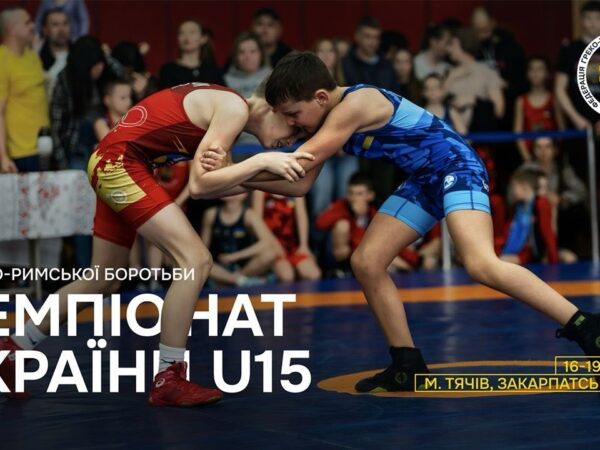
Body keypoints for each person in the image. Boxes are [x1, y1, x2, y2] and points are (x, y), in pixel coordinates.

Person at [202, 52, 600, 393]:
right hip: (424, 179)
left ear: (321, 97)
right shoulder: (324, 119)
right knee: (367, 261)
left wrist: (235, 168)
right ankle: (407, 363)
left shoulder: (356, 104)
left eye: (294, 115)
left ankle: (585, 326)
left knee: (480, 263)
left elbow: (298, 165)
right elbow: (300, 185)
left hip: (456, 165)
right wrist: (234, 177)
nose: (293, 125)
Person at [0, 81, 314, 405]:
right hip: (122, 164)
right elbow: (201, 185)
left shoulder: (228, 112)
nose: (292, 138)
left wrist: (276, 174)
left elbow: (218, 184)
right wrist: (261, 162)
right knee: (196, 261)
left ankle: (13, 347)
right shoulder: (233, 108)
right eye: (294, 124)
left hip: (113, 160)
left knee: (103, 277)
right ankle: (169, 376)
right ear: (275, 106)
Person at [0, 6, 49, 173]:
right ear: (12, 29)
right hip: (20, 154)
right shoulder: (2, 60)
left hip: (44, 147)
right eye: (27, 23)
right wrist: (3, 156)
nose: (33, 26)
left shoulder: (32, 56)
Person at [202, 193, 276, 287]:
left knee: (270, 254)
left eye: (234, 188)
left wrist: (235, 256)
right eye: (227, 188)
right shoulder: (210, 214)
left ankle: (231, 280)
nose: (230, 191)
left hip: (244, 265)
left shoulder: (249, 215)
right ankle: (239, 281)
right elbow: (203, 248)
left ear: (244, 194)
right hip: (221, 265)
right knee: (202, 261)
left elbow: (266, 242)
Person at [252, 191, 321, 282]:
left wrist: (304, 245)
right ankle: (269, 276)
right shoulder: (260, 191)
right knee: (287, 276)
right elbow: (257, 224)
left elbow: (301, 216)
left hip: (291, 246)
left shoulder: (295, 187)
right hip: (271, 246)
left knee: (314, 274)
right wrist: (275, 246)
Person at [555, 1, 600, 132]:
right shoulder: (569, 50)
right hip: (577, 123)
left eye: (597, 18)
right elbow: (559, 88)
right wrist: (575, 117)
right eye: (588, 18)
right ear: (581, 20)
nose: (592, 23)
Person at [499, 168, 558, 265]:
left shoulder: (540, 204)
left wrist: (554, 263)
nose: (512, 191)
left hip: (532, 255)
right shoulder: (517, 207)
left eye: (514, 186)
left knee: (502, 261)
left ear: (524, 186)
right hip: (520, 252)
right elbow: (508, 233)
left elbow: (548, 235)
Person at [514, 56, 564, 161]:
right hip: (529, 156)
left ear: (547, 73)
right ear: (527, 74)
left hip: (552, 156)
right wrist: (528, 160)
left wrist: (555, 156)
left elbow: (562, 131)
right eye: (532, 69)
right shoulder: (521, 101)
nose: (535, 73)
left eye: (540, 69)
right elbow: (518, 134)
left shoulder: (554, 99)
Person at [159, 20, 224, 89]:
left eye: (192, 32)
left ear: (203, 38)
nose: (186, 37)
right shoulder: (168, 70)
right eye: (182, 33)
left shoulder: (212, 70)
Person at [38, 8, 70, 99]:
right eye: (55, 25)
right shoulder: (37, 61)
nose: (61, 30)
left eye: (65, 24)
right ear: (45, 30)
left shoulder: (79, 56)